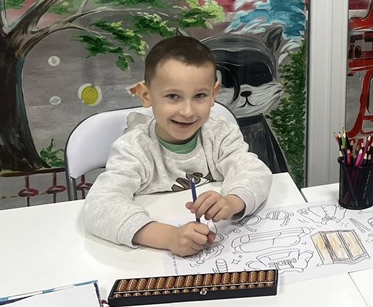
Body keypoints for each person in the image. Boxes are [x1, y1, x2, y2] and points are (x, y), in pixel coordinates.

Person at [84, 37, 273, 256]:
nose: (187, 112)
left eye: (200, 96)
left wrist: (232, 202)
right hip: (152, 259)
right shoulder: (134, 148)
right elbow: (100, 206)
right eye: (173, 96)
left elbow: (255, 172)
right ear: (146, 96)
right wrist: (168, 237)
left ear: (214, 94)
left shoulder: (220, 133)